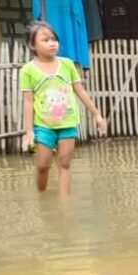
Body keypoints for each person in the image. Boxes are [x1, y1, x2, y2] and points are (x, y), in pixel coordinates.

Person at [19, 21, 106, 197]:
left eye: (54, 39)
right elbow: (28, 102)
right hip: (43, 125)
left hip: (67, 123)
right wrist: (29, 131)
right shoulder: (28, 70)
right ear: (32, 45)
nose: (52, 43)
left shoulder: (67, 65)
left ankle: (64, 206)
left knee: (65, 163)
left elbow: (80, 91)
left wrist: (96, 114)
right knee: (43, 165)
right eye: (45, 40)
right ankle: (42, 197)